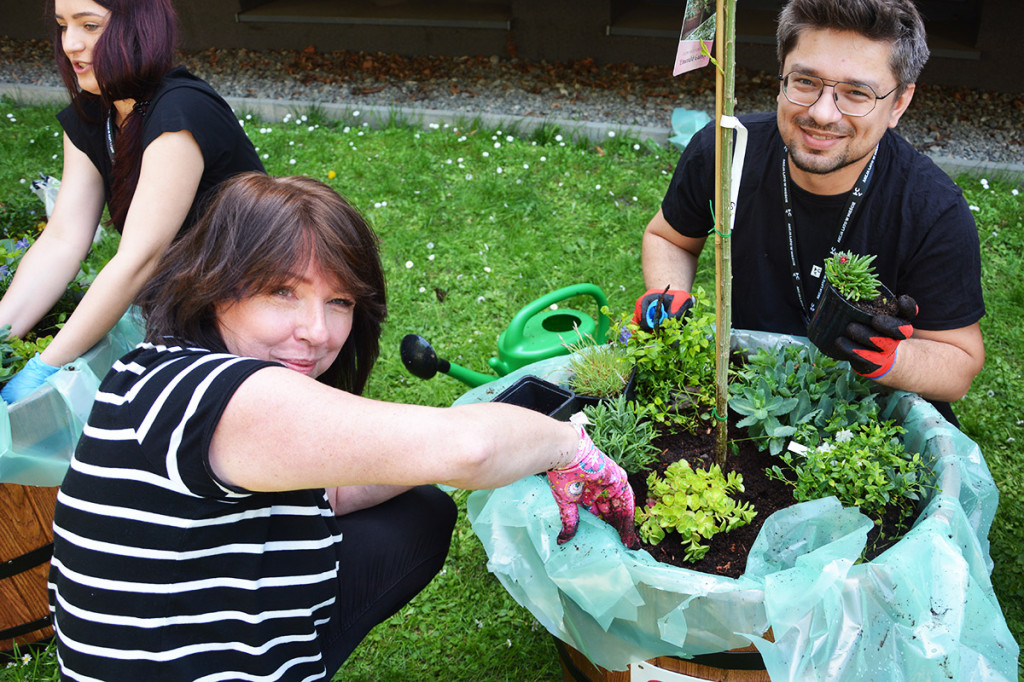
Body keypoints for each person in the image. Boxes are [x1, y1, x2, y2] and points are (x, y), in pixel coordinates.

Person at [48, 173, 638, 680]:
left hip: (179, 629)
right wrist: (569, 446)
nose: (319, 332)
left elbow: (335, 489)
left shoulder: (164, 367)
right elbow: (471, 449)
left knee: (420, 511)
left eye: (340, 302)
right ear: (215, 284)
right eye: (282, 291)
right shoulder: (215, 397)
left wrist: (424, 453)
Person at [637, 0, 984, 424]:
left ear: (898, 103)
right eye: (805, 82)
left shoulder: (933, 209)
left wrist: (890, 357)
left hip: (867, 420)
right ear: (781, 75)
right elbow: (669, 238)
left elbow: (960, 364)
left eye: (857, 93)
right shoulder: (727, 150)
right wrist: (668, 293)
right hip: (748, 399)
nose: (821, 113)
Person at [0, 0, 264, 403]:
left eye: (90, 26)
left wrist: (43, 369)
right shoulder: (94, 113)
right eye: (63, 25)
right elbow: (62, 240)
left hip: (249, 312)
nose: (70, 44)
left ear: (140, 27)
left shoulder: (180, 110)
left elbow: (140, 258)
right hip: (180, 310)